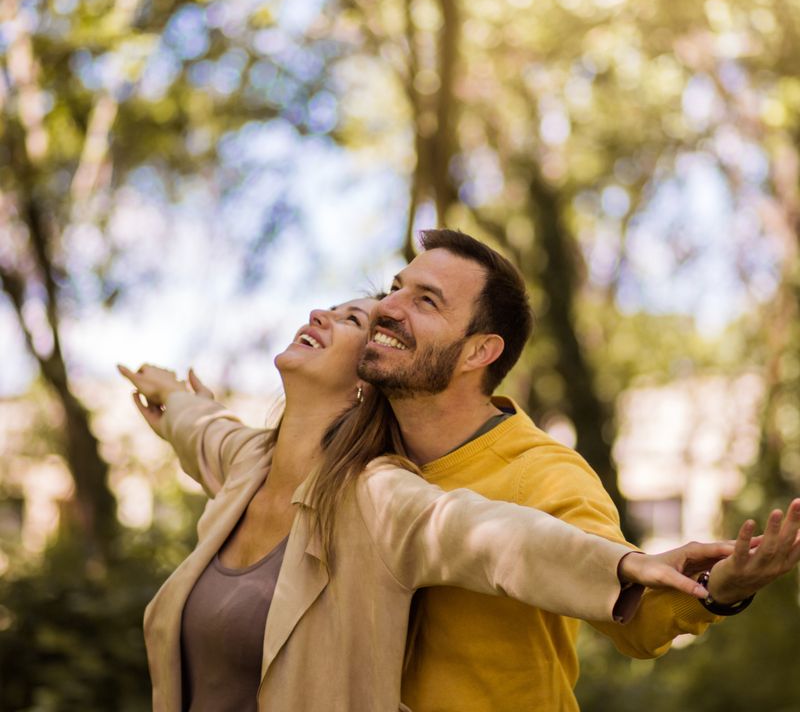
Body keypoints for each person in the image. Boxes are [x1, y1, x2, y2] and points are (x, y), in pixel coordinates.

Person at [120, 296, 735, 712]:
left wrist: (624, 564)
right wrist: (170, 393)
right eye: (331, 308)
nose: (320, 314)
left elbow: (490, 535)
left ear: (369, 377)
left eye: (350, 321)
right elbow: (203, 427)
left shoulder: (377, 496)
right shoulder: (249, 465)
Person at [353, 228, 800, 712]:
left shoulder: (543, 472)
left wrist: (719, 589)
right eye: (396, 287)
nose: (389, 306)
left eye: (426, 301)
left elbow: (631, 618)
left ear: (478, 352)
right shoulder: (358, 453)